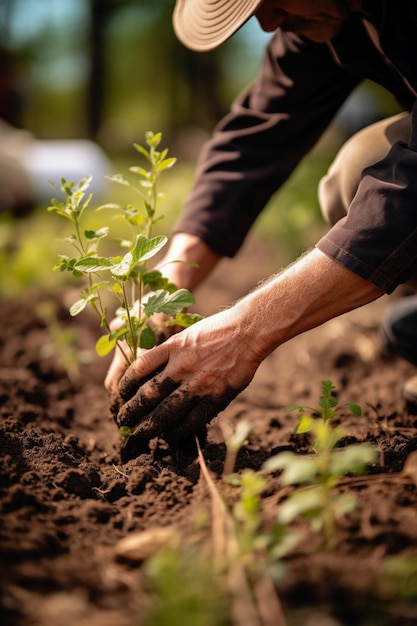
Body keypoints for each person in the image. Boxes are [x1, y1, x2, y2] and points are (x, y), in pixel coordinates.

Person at [105, 0, 417, 448]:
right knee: (354, 174)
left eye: (270, 0)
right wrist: (168, 281)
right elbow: (255, 141)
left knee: (360, 170)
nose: (268, 23)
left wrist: (245, 332)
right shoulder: (327, 15)